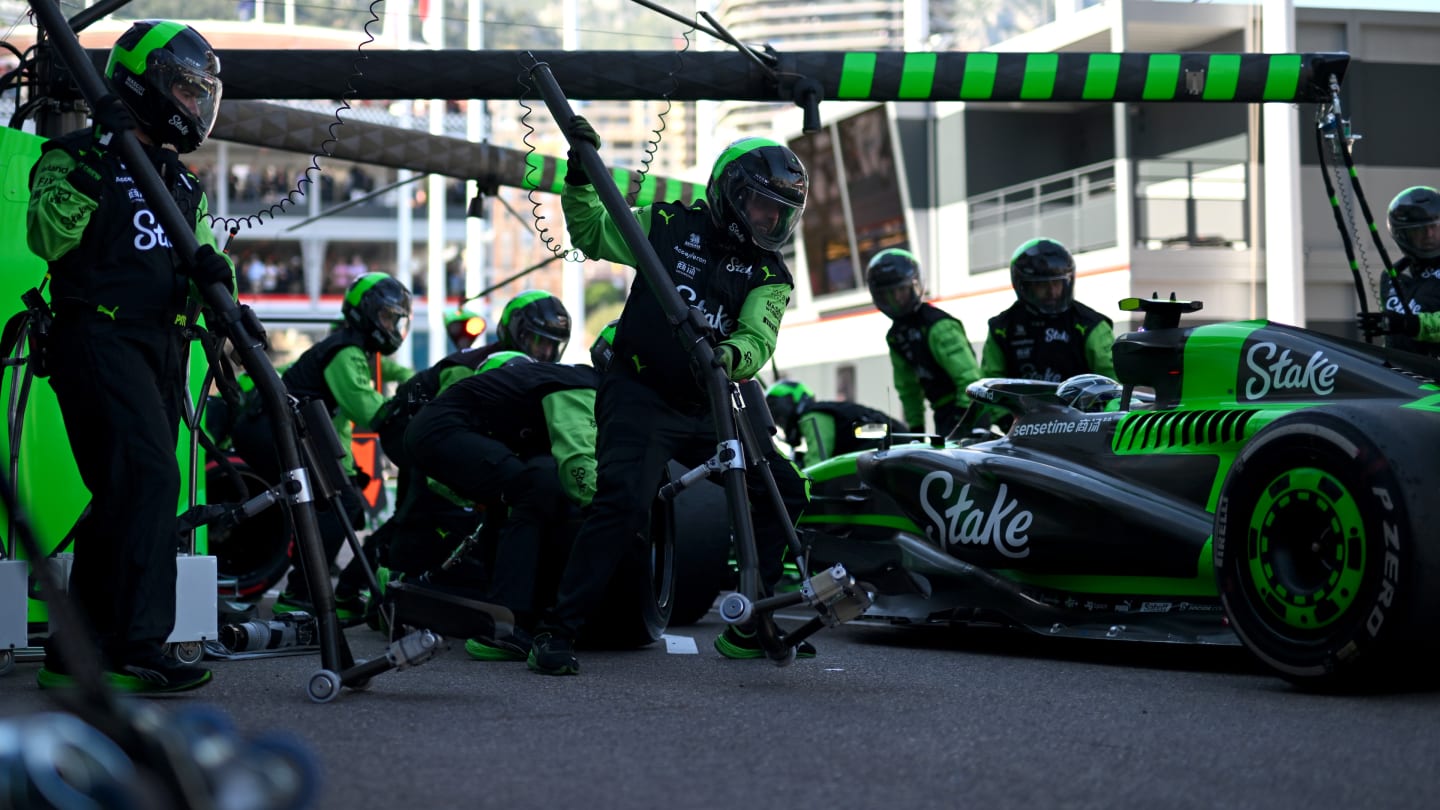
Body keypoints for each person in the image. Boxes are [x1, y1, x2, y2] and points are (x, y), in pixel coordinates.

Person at [527, 122, 810, 675]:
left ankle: (753, 623)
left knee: (782, 489)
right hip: (639, 392)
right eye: (762, 205)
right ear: (731, 191)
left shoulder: (770, 274)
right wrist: (582, 176)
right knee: (623, 505)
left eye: (780, 213)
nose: (770, 220)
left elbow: (757, 338)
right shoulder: (667, 222)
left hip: (711, 398)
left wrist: (728, 357)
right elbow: (591, 233)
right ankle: (557, 631)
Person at [28, 20, 231, 692]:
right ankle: (137, 646)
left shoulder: (184, 184)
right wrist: (102, 149)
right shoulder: (75, 156)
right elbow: (47, 237)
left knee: (125, 491)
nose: (193, 104)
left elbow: (205, 254)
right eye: (183, 88)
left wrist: (223, 288)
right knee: (147, 479)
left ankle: (75, 653)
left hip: (161, 346)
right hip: (97, 336)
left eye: (200, 92)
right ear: (143, 84)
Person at [230, 272, 413, 624]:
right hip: (267, 431)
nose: (392, 325)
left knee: (342, 503)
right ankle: (299, 595)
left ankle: (317, 588)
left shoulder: (354, 347)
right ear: (368, 313)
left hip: (277, 430)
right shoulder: (346, 351)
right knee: (338, 502)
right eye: (388, 316)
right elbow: (368, 409)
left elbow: (388, 383)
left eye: (395, 319)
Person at [405, 353, 602, 661]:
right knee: (530, 491)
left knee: (509, 503)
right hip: (442, 430)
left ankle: (426, 599)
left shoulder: (535, 386)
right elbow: (576, 456)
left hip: (432, 430)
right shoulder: (578, 383)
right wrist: (606, 512)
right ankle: (503, 629)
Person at [866, 248, 981, 439]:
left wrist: (961, 421)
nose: (896, 298)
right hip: (942, 412)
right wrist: (916, 430)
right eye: (889, 293)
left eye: (901, 290)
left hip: (968, 411)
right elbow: (907, 388)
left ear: (914, 286)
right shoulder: (896, 337)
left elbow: (969, 379)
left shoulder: (939, 326)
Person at [981, 238, 1116, 386]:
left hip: (1081, 408)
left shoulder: (1090, 324)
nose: (1052, 291)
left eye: (1057, 283)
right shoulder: (1002, 328)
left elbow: (1114, 383)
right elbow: (990, 386)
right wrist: (1004, 410)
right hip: (1020, 409)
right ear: (1023, 285)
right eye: (1042, 285)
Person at [1356, 186, 1440, 356]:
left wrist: (1411, 324)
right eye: (1419, 230)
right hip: (1401, 377)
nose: (1429, 234)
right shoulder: (1391, 276)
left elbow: (1407, 324)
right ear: (1402, 235)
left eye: (1435, 227)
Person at [765, 379, 906, 466]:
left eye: (779, 418)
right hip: (900, 448)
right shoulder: (829, 411)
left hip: (893, 454)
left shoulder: (813, 415)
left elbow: (817, 463)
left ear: (791, 401)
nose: (780, 423)